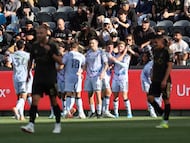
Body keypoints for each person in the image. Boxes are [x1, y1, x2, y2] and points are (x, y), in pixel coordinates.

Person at [21, 24, 62, 134]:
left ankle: (58, 124)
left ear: (46, 34)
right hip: (38, 77)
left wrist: (50, 52)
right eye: (38, 33)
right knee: (34, 100)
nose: (39, 35)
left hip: (50, 78)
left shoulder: (52, 45)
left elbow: (60, 61)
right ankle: (31, 124)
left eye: (41, 33)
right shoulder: (34, 46)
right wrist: (28, 72)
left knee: (53, 101)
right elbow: (31, 60)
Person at [148, 34, 173, 128]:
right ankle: (162, 113)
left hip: (164, 79)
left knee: (166, 99)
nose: (155, 43)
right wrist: (152, 74)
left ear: (161, 41)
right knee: (150, 98)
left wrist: (165, 80)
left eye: (156, 41)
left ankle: (165, 122)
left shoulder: (167, 51)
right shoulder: (155, 50)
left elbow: (169, 66)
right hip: (155, 78)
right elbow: (154, 64)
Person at [6, 39, 31, 120]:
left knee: (18, 97)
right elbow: (31, 65)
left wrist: (15, 68)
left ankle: (21, 116)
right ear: (23, 46)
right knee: (23, 96)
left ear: (16, 46)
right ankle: (16, 108)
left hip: (16, 76)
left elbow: (8, 64)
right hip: (24, 77)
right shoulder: (27, 55)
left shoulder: (12, 55)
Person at [84, 37, 108, 118]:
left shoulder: (101, 52)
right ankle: (93, 111)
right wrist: (82, 71)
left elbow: (106, 64)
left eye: (93, 43)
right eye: (90, 43)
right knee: (90, 94)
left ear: (97, 44)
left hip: (97, 75)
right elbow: (86, 64)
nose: (91, 45)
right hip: (89, 75)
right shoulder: (88, 53)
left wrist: (103, 73)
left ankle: (99, 111)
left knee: (98, 93)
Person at [109, 41, 133, 118]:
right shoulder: (116, 55)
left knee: (124, 95)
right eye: (119, 46)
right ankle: (116, 113)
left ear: (124, 47)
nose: (120, 48)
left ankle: (129, 113)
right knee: (115, 96)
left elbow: (125, 66)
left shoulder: (127, 56)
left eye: (122, 46)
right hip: (115, 77)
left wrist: (116, 61)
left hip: (123, 78)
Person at [62, 42, 86, 119]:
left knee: (69, 94)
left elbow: (62, 64)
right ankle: (81, 113)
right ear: (77, 47)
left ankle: (67, 111)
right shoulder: (81, 56)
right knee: (78, 95)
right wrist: (81, 71)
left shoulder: (67, 55)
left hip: (69, 76)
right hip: (77, 76)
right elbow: (84, 65)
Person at [101, 40, 116, 118]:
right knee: (108, 92)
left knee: (104, 93)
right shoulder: (105, 54)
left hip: (108, 75)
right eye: (108, 47)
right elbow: (115, 60)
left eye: (111, 47)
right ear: (105, 47)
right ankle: (105, 111)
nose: (110, 48)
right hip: (103, 75)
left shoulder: (112, 53)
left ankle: (103, 111)